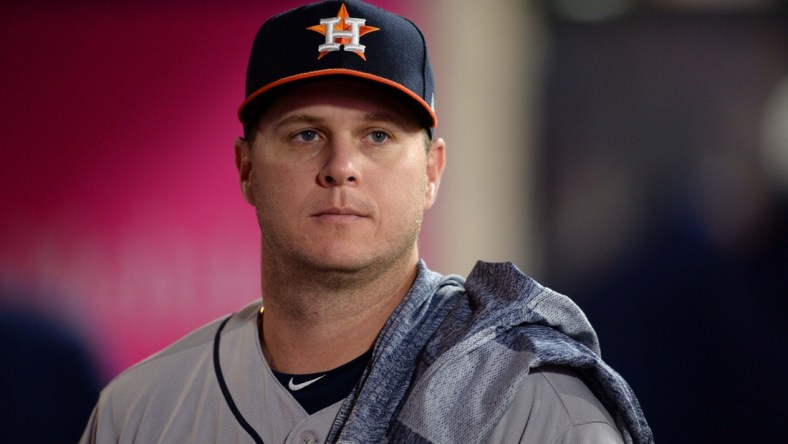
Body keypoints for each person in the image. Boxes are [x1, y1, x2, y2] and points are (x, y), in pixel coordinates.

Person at [80, 1, 653, 443]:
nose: (340, 168)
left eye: (377, 136)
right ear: (246, 167)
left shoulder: (536, 405)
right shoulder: (140, 411)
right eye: (307, 135)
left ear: (432, 171)